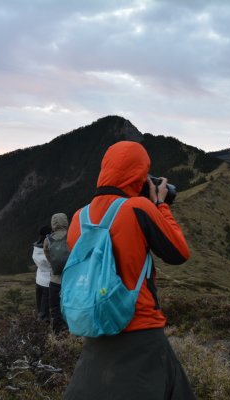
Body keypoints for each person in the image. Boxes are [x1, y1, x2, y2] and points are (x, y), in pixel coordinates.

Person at [63, 141, 195, 400]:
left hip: (97, 328)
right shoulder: (138, 208)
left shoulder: (79, 217)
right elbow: (179, 253)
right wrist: (160, 204)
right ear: (138, 174)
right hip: (142, 330)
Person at [43, 212, 69, 334]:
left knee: (54, 307)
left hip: (55, 279)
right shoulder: (72, 236)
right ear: (66, 222)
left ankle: (58, 331)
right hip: (70, 279)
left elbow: (48, 257)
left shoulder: (47, 240)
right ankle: (71, 328)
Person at [32, 225, 52, 322]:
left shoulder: (35, 248)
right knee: (45, 311)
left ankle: (39, 325)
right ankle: (43, 329)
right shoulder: (47, 250)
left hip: (38, 280)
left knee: (40, 307)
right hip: (47, 282)